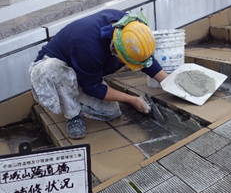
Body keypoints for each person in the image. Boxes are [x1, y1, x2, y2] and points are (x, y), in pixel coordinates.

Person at [30, 9, 168, 139]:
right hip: (51, 72)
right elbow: (93, 87)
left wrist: (169, 83)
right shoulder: (88, 46)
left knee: (111, 112)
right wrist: (131, 99)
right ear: (115, 48)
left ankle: (75, 95)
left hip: (82, 74)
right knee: (52, 68)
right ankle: (73, 115)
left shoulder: (129, 28)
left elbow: (145, 61)